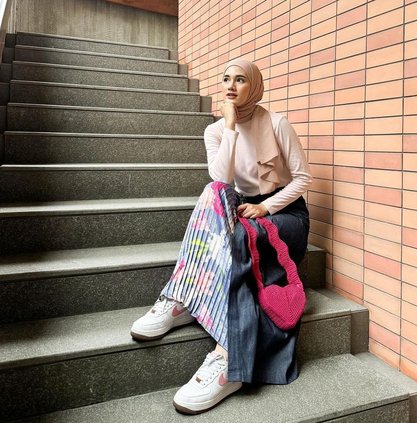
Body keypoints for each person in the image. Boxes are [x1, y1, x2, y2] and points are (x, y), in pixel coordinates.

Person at [130, 58, 312, 414]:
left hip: (285, 215)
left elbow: (303, 178)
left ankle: (230, 359)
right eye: (226, 78)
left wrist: (266, 208)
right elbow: (221, 178)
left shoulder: (277, 123)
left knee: (239, 239)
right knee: (212, 194)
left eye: (241, 80)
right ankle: (180, 297)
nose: (231, 85)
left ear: (254, 86)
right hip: (245, 208)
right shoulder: (215, 131)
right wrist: (229, 126)